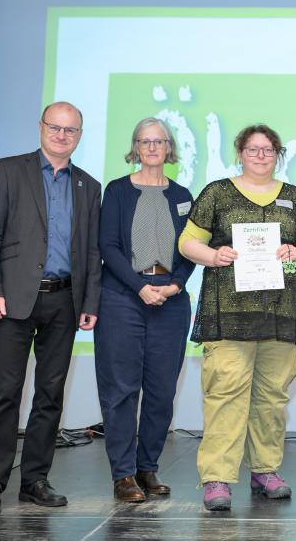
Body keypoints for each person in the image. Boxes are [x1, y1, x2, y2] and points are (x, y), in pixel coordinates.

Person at [180, 124, 296, 511]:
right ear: (240, 153)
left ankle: (265, 470)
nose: (260, 156)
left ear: (277, 155)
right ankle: (217, 478)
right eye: (252, 149)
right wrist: (213, 256)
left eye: (267, 150)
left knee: (272, 399)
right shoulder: (216, 193)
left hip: (281, 315)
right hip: (228, 315)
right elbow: (187, 241)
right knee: (225, 395)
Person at [0, 101, 101, 515]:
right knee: (5, 393)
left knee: (49, 395)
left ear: (79, 136)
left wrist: (89, 300)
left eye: (71, 130)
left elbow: (92, 250)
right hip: (12, 299)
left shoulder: (88, 185)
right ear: (41, 127)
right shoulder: (9, 170)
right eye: (55, 127)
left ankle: (35, 481)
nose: (62, 135)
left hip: (65, 301)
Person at [94, 118, 195, 502]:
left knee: (161, 391)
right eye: (144, 141)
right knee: (121, 389)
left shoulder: (184, 195)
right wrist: (139, 287)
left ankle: (147, 468)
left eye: (159, 141)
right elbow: (108, 247)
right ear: (135, 147)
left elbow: (190, 247)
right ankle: (123, 475)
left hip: (170, 299)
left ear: (169, 148)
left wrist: (176, 284)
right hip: (123, 297)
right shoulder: (118, 191)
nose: (152, 147)